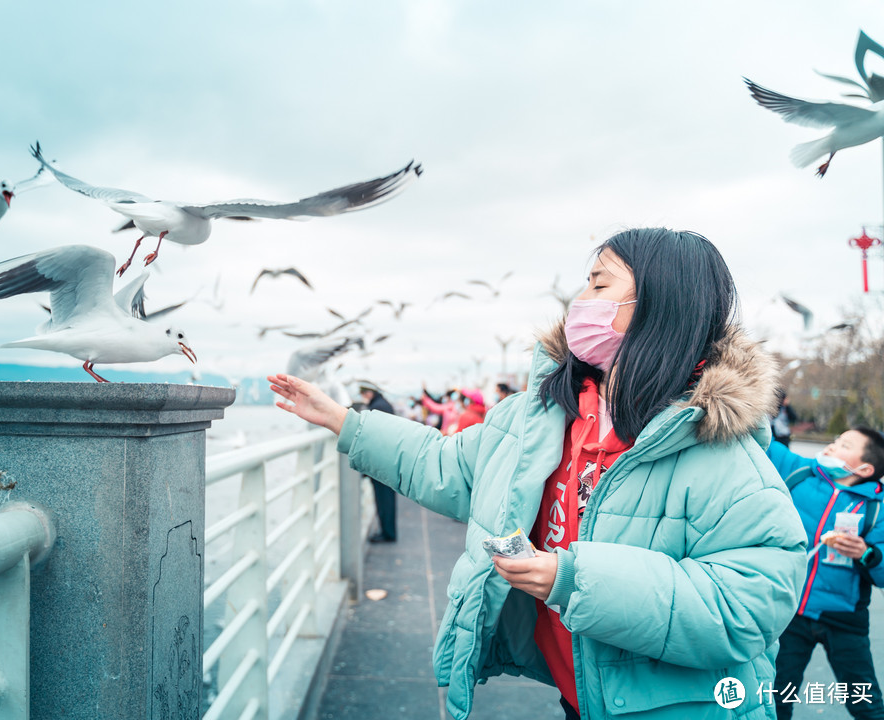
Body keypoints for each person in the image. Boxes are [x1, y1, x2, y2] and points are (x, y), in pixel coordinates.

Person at [268, 228, 806, 720]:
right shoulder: (542, 418)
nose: (580, 302)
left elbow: (748, 605)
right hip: (582, 695)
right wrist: (343, 422)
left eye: (600, 285)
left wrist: (572, 580)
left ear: (658, 307)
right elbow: (444, 465)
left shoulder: (722, 452)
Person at [766, 427, 884, 719]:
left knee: (865, 703)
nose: (832, 446)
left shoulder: (877, 509)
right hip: (790, 612)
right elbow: (761, 439)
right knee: (776, 696)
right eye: (835, 439)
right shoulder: (801, 472)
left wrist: (866, 553)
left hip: (843, 619)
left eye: (844, 445)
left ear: (864, 468)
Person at [358, 382, 398, 543]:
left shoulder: (378, 407)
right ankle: (388, 531)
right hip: (388, 460)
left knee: (384, 500)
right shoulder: (383, 404)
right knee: (385, 499)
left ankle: (388, 533)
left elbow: (375, 437)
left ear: (369, 392)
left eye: (363, 393)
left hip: (382, 462)